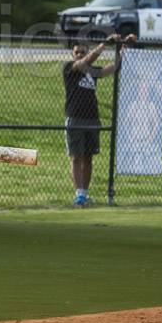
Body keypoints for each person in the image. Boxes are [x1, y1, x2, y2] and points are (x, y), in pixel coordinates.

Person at [62, 33, 133, 207]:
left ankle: (84, 194)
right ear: (73, 53)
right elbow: (84, 62)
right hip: (75, 118)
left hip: (92, 119)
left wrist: (123, 48)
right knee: (76, 157)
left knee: (88, 158)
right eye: (77, 52)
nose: (79, 54)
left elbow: (113, 67)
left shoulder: (92, 72)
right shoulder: (70, 68)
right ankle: (78, 194)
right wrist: (104, 45)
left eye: (82, 51)